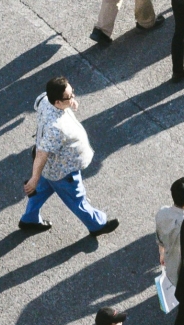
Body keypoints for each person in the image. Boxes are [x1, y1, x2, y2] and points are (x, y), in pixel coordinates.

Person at [21, 77, 117, 237]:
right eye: (70, 96)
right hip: (62, 171)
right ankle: (97, 225)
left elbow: (37, 103)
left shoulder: (46, 99)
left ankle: (30, 219)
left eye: (72, 93)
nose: (73, 97)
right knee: (77, 199)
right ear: (57, 102)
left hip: (50, 169)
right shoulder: (55, 129)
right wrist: (34, 178)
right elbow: (42, 154)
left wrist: (70, 103)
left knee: (40, 191)